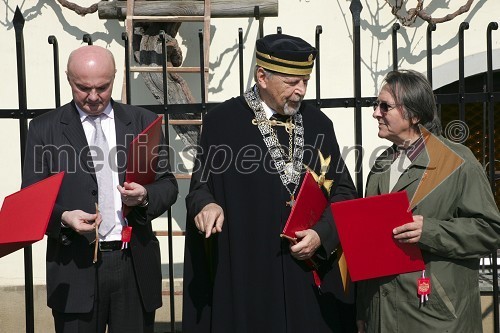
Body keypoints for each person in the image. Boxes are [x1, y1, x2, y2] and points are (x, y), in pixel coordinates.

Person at [182, 33, 358, 332]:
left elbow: (344, 191)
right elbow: (200, 188)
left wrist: (321, 235)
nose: (301, 91)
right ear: (262, 76)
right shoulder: (222, 122)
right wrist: (207, 205)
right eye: (292, 82)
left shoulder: (318, 123)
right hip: (248, 273)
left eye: (305, 80)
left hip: (307, 277)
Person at [22, 45, 178, 333]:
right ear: (68, 79)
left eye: (102, 87)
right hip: (74, 266)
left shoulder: (143, 121)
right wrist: (64, 218)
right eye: (83, 88)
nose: (93, 97)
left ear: (115, 78)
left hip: (133, 264)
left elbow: (168, 185)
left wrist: (144, 197)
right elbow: (31, 202)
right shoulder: (43, 129)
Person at [356, 69, 500, 332]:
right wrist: (364, 309)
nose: (376, 112)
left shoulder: (457, 160)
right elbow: (371, 248)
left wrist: (429, 230)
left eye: (385, 106)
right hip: (382, 316)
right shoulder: (381, 165)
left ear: (414, 114)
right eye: (376, 105)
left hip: (435, 318)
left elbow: (489, 230)